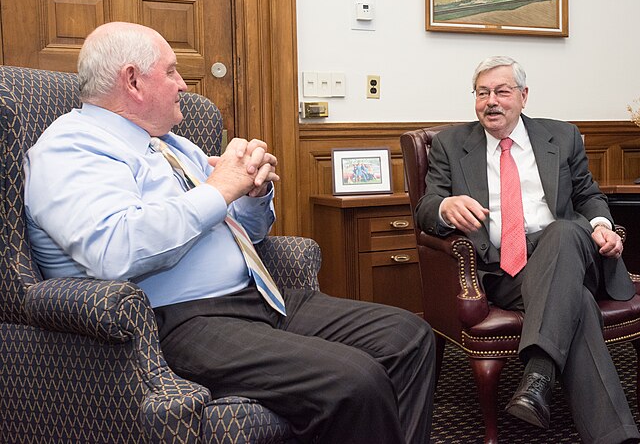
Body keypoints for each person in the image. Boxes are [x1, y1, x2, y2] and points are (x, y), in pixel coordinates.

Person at [24, 22, 436, 444]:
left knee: (408, 336)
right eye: (171, 72)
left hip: (256, 298)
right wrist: (220, 189)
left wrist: (254, 193)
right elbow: (115, 251)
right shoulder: (72, 148)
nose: (183, 84)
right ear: (132, 80)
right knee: (353, 381)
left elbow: (250, 233)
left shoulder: (172, 145)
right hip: (175, 319)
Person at [414, 56, 640, 444]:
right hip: (503, 270)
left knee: (566, 232)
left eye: (502, 91)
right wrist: (444, 207)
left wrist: (602, 227)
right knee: (579, 304)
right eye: (482, 93)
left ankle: (537, 375)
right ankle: (611, 435)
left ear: (523, 96)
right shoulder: (451, 145)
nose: (491, 101)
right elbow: (425, 206)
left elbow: (588, 196)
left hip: (564, 251)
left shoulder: (562, 136)